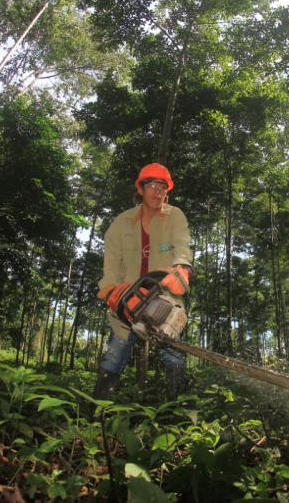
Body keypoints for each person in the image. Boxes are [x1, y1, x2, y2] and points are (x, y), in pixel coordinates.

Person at [92, 162, 193, 401]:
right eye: (152, 185)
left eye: (162, 186)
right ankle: (98, 411)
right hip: (128, 301)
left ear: (167, 190)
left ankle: (177, 411)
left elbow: (182, 246)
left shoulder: (175, 216)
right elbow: (111, 264)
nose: (158, 191)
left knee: (174, 358)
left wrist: (182, 269)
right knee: (114, 356)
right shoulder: (121, 222)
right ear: (140, 188)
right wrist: (110, 291)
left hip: (163, 301)